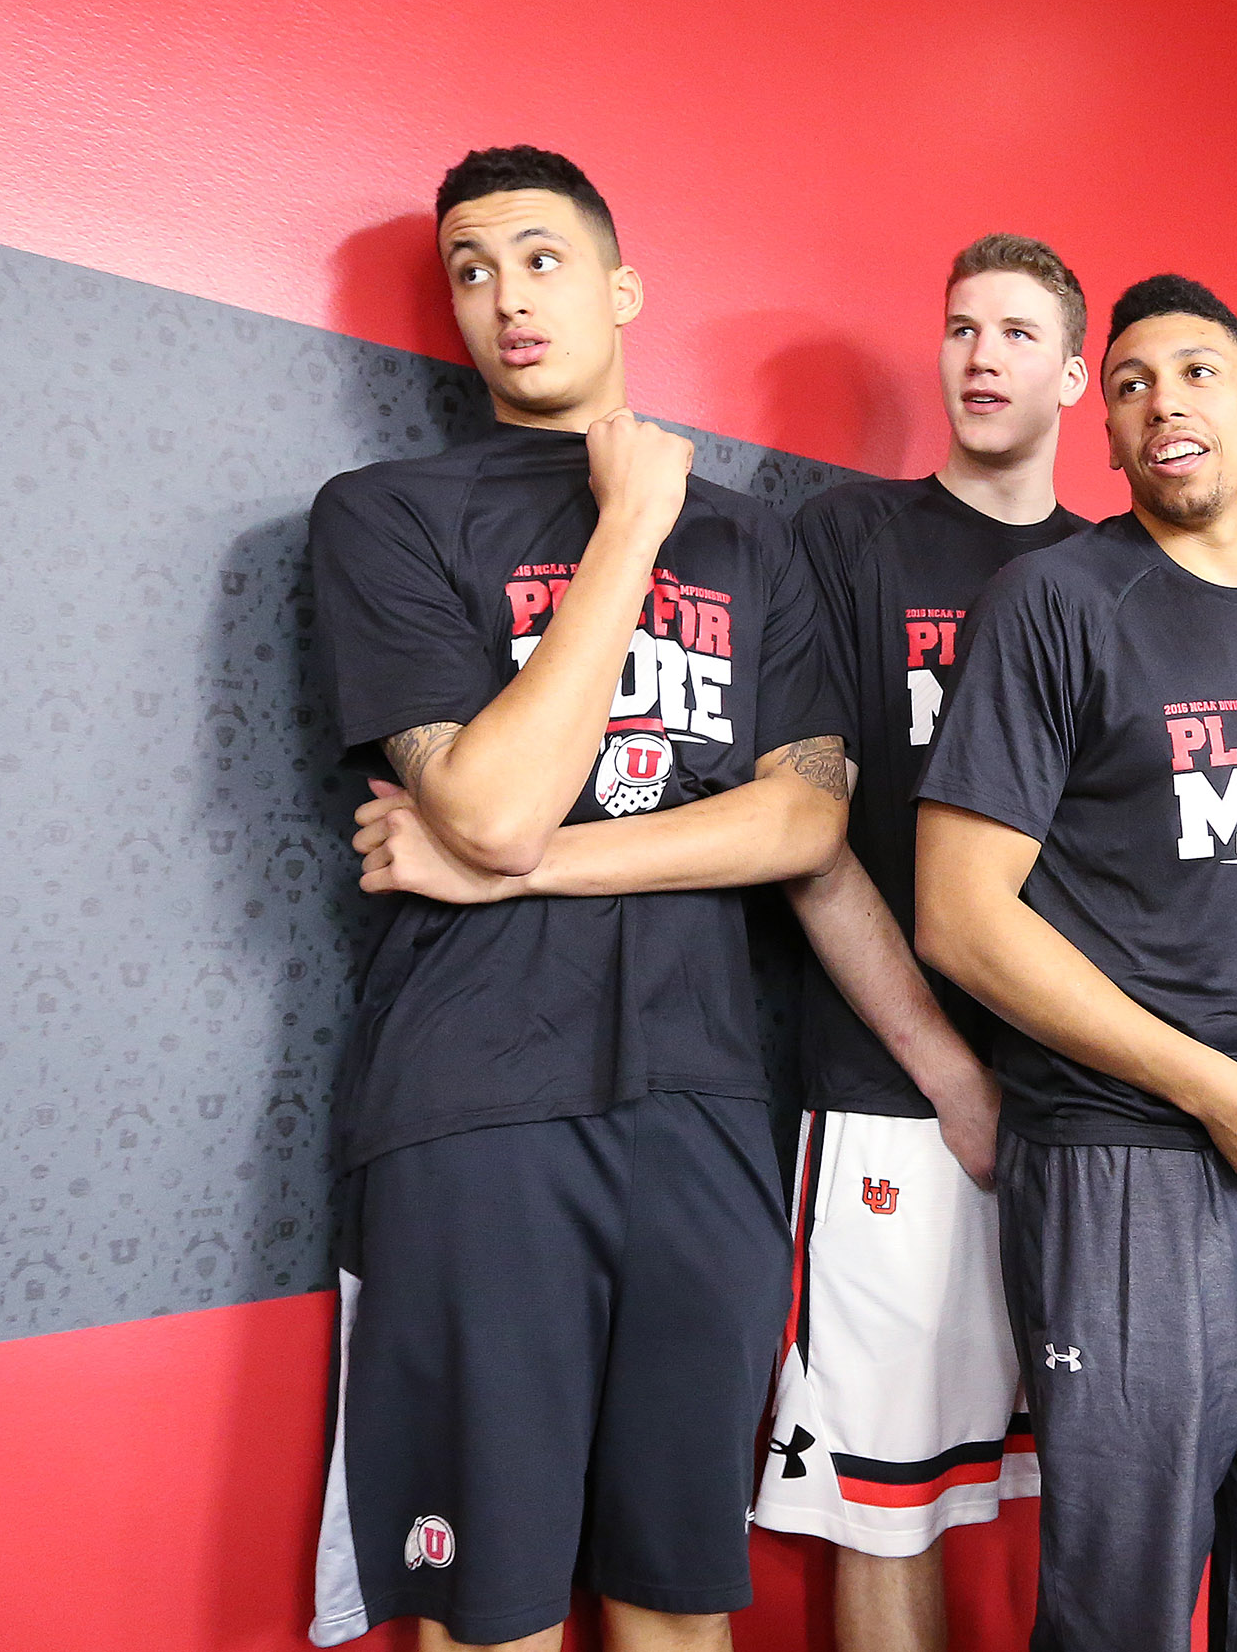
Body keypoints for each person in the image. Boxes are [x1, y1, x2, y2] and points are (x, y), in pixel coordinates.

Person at [304, 145, 849, 1652]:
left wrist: (510, 860)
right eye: (470, 270)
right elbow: (484, 797)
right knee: (489, 1612)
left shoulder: (755, 540)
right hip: (474, 1104)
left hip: (709, 1100)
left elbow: (804, 818)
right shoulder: (385, 514)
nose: (503, 297)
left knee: (680, 1599)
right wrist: (624, 531)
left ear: (618, 286)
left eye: (540, 258)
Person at [911, 275, 1237, 1652]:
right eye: (1129, 383)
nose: (1161, 399)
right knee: (1124, 1597)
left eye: (1196, 372)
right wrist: (1211, 1090)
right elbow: (961, 912)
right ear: (1107, 434)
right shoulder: (1054, 600)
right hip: (1125, 1160)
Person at [746, 235, 1091, 1652]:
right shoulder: (846, 541)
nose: (982, 355)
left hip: (1094, 1099)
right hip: (892, 1093)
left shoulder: (1119, 574)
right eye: (960, 328)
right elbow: (808, 829)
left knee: (1103, 1469)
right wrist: (950, 1068)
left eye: (1017, 332)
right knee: (887, 1491)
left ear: (1076, 374)